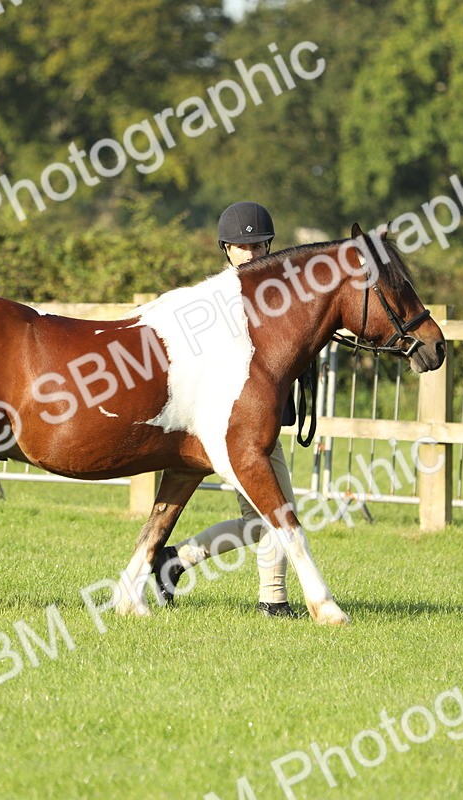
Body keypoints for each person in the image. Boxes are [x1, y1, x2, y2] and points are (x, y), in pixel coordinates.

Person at [152, 201, 305, 618]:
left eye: (258, 246)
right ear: (226, 249)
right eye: (242, 247)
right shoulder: (215, 300)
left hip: (260, 423)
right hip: (229, 425)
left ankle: (175, 560)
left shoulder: (281, 293)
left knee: (263, 522)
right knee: (279, 515)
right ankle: (273, 601)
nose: (251, 254)